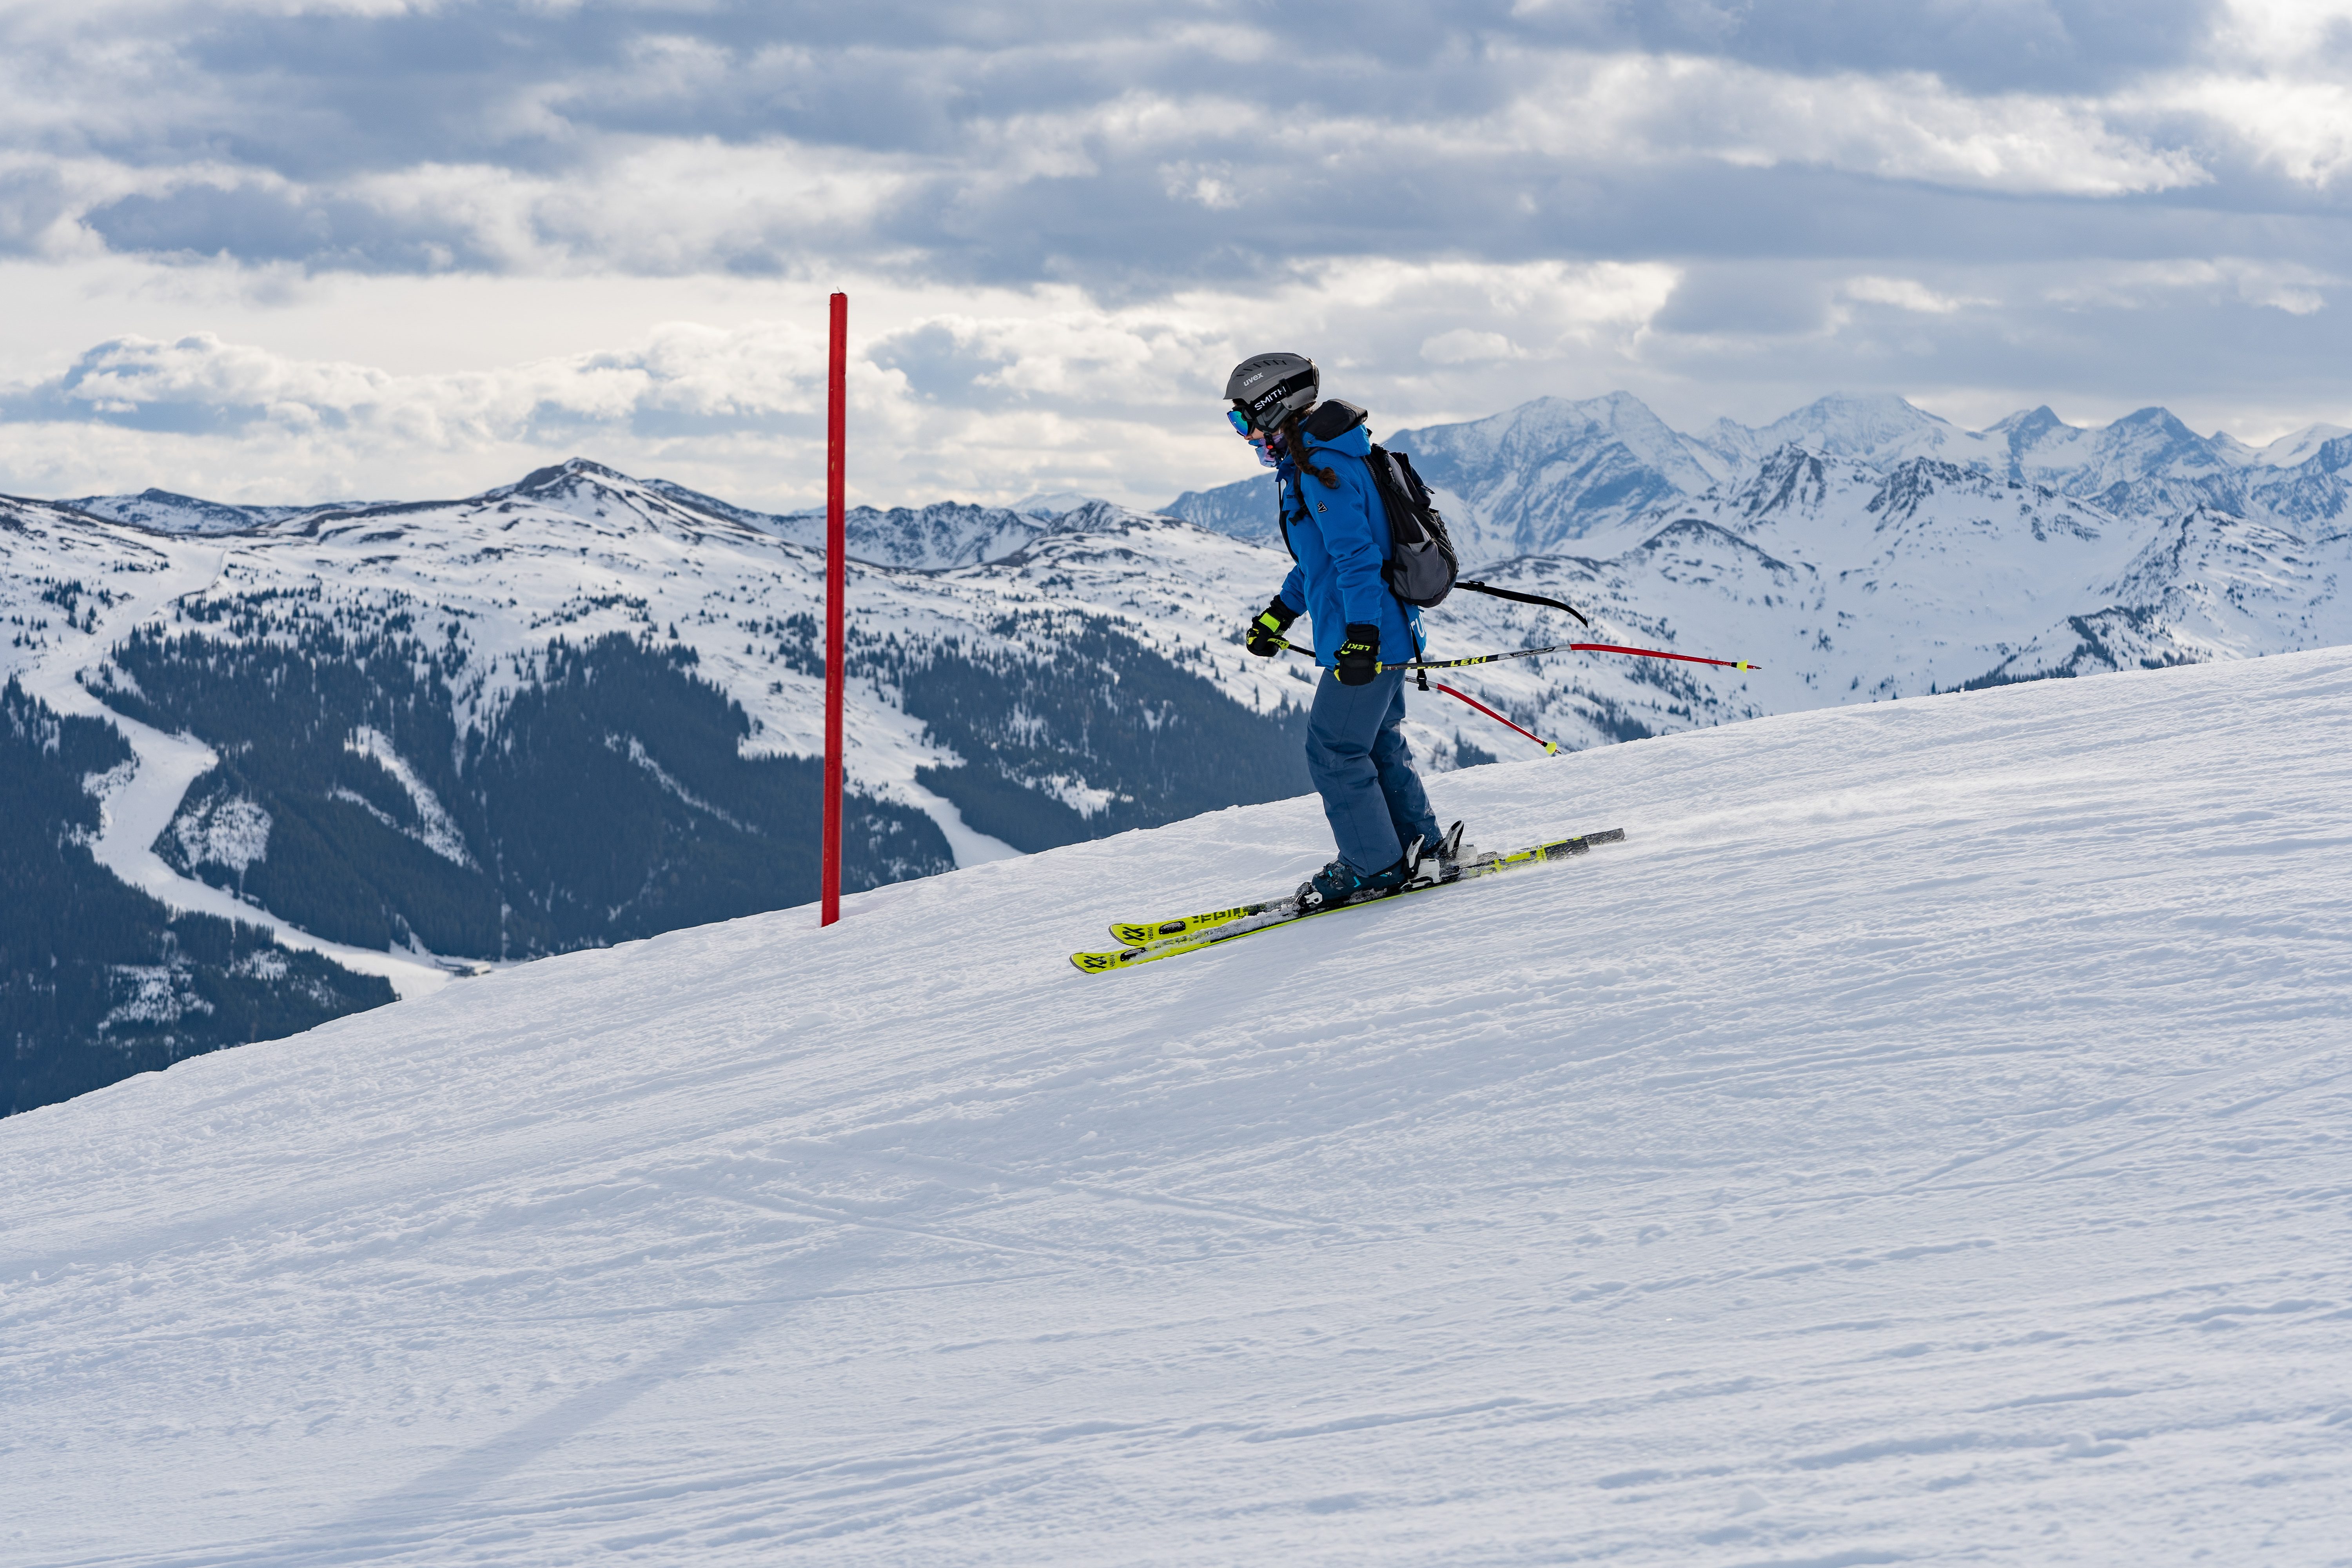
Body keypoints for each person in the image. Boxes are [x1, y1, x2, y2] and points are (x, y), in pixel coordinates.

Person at [1225, 351, 1463, 911]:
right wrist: (1279, 614)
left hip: (1371, 637)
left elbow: (1356, 561)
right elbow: (1321, 562)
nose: (1243, 434)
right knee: (1378, 743)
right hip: (1388, 632)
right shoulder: (1327, 458)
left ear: (1273, 406)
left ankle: (1371, 865)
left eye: (1243, 419)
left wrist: (1361, 638)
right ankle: (1421, 848)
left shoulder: (1320, 469)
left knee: (1333, 750)